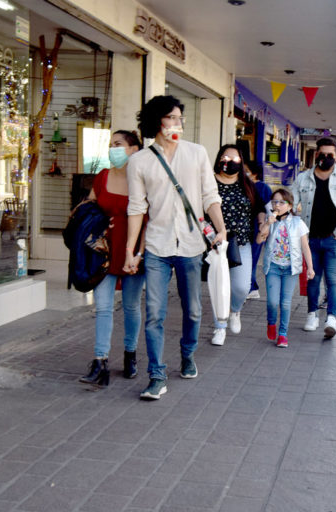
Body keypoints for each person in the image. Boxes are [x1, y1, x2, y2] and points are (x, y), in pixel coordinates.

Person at [125, 95, 226, 401]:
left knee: (193, 310)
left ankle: (188, 353)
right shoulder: (138, 161)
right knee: (154, 313)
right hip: (157, 245)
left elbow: (210, 195)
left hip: (192, 245)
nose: (177, 124)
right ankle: (157, 374)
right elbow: (136, 209)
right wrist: (131, 251)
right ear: (157, 121)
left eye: (180, 118)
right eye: (172, 118)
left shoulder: (196, 153)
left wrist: (220, 228)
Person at [79, 130, 146, 388]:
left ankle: (130, 354)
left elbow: (146, 222)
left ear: (134, 149)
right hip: (104, 252)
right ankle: (100, 361)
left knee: (130, 307)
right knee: (103, 306)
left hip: (131, 253)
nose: (113, 149)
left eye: (118, 144)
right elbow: (90, 209)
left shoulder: (142, 180)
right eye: (111, 145)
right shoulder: (103, 177)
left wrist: (139, 254)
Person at [291, 137, 336, 339]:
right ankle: (311, 315)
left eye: (330, 155)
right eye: (322, 154)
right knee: (312, 279)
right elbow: (292, 202)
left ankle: (332, 317)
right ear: (316, 155)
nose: (326, 158)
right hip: (310, 238)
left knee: (333, 280)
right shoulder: (303, 178)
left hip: (335, 238)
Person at [210, 145, 266, 346]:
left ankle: (235, 310)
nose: (229, 161)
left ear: (241, 163)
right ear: (218, 159)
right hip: (216, 245)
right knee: (219, 288)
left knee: (242, 287)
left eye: (234, 159)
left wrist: (261, 224)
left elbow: (259, 207)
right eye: (225, 156)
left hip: (242, 242)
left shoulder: (247, 184)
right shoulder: (209, 182)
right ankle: (220, 327)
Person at [257, 189, 314, 347]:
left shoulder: (298, 223)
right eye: (275, 202)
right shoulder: (271, 222)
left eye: (282, 202)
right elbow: (259, 239)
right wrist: (268, 223)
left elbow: (305, 246)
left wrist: (310, 267)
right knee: (272, 302)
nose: (277, 205)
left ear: (290, 206)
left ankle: (282, 334)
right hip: (273, 267)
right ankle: (271, 323)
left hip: (290, 269)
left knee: (286, 302)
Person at [246, 165, 274, 300]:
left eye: (247, 170)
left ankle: (250, 287)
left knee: (251, 258)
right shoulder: (243, 185)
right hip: (244, 229)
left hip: (258, 228)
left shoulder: (263, 188)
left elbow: (270, 209)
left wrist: (267, 227)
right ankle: (251, 286)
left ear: (255, 173)